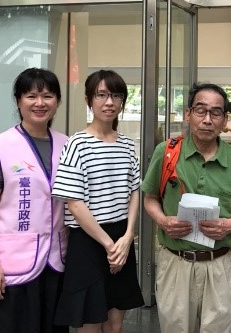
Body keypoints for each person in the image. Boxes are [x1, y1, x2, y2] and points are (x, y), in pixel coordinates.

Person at [141, 83, 231, 333]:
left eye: (215, 113)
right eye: (200, 110)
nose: (207, 120)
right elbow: (150, 198)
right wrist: (162, 221)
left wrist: (229, 225)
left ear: (224, 120)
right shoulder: (167, 152)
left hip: (220, 265)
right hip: (176, 262)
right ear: (188, 114)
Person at [0, 68, 69, 333]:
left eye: (47, 96)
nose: (40, 103)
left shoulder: (67, 145)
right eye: (31, 96)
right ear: (18, 101)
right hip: (10, 265)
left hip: (55, 262)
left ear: (58, 101)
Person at [51, 70, 143, 332]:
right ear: (89, 100)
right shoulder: (77, 144)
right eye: (101, 95)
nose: (109, 102)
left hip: (121, 237)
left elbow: (134, 191)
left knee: (115, 324)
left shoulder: (127, 145)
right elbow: (74, 202)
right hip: (88, 241)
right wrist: (110, 245)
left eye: (116, 95)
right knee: (89, 322)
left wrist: (128, 236)